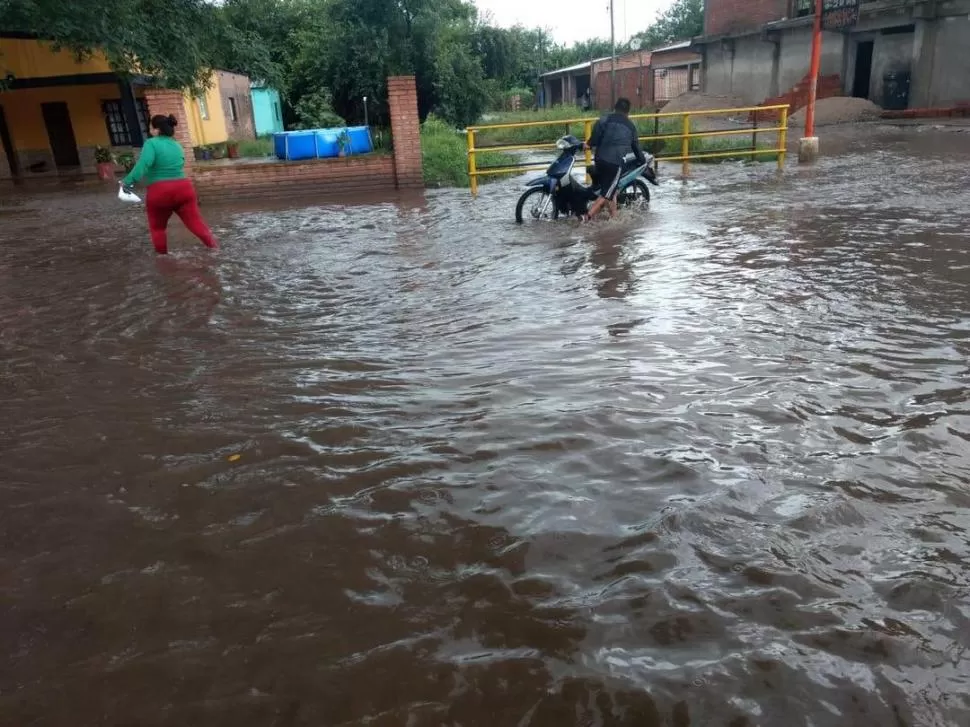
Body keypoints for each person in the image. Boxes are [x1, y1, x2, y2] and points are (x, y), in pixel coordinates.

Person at [121, 114, 217, 255]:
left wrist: (128, 182)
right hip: (184, 189)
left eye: (150, 127)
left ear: (155, 129)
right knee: (196, 224)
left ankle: (163, 261)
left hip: (160, 191)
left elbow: (144, 164)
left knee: (158, 229)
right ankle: (215, 249)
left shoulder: (151, 143)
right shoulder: (177, 145)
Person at [583, 98, 646, 221]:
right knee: (607, 193)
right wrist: (642, 161)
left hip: (599, 160)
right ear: (628, 112)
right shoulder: (630, 126)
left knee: (612, 190)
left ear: (614, 108)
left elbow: (594, 138)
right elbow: (636, 148)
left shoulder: (604, 119)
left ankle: (614, 217)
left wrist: (588, 144)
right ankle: (587, 217)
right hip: (615, 163)